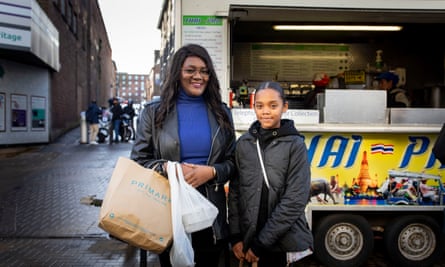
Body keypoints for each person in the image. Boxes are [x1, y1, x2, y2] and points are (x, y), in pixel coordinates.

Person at [130, 43, 236, 267]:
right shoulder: (153, 112)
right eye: (191, 70)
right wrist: (166, 168)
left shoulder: (222, 113)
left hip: (209, 214)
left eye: (204, 71)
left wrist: (213, 171)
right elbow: (138, 162)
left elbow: (233, 162)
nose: (199, 76)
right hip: (168, 211)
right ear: (177, 72)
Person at [228, 81, 313, 267]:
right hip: (248, 240)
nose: (266, 111)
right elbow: (235, 193)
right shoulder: (244, 144)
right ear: (254, 107)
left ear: (285, 107)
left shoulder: (295, 145)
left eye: (273, 106)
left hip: (283, 243)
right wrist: (235, 236)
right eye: (260, 106)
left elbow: (295, 199)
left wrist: (261, 244)